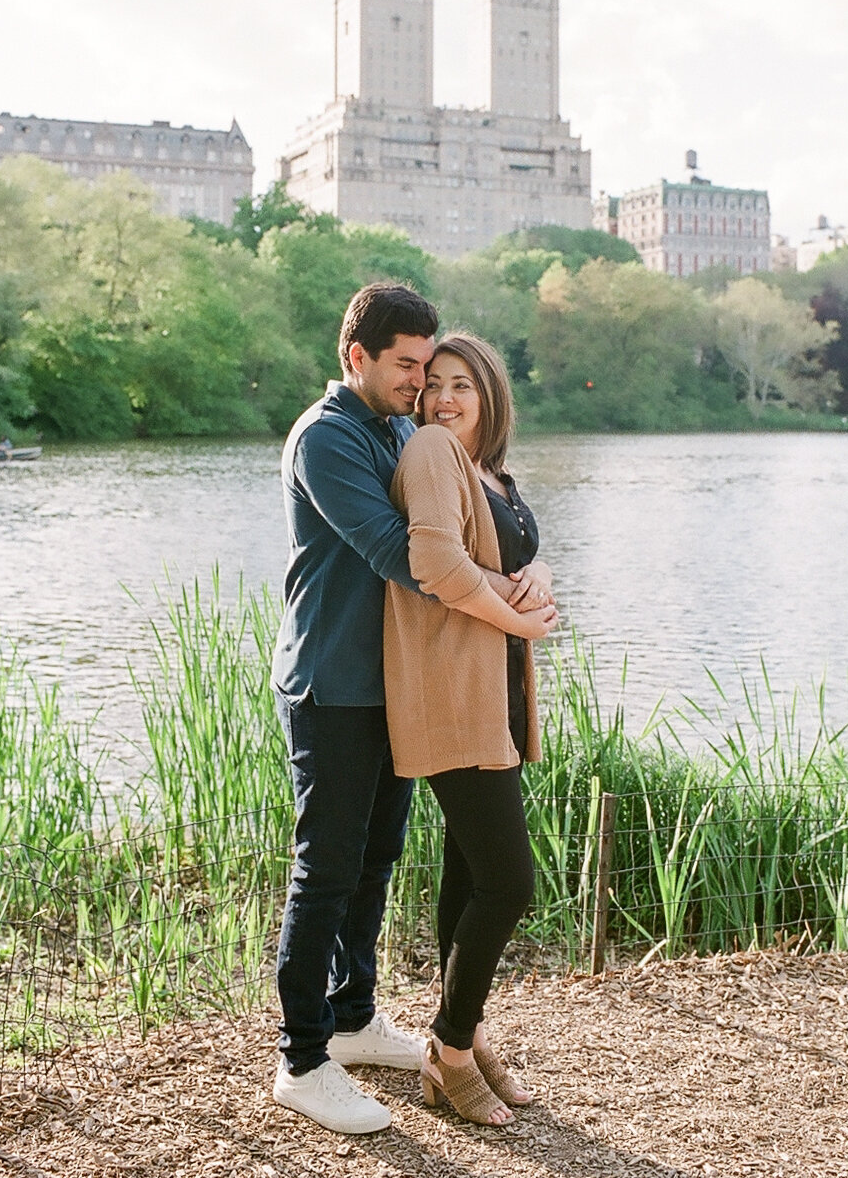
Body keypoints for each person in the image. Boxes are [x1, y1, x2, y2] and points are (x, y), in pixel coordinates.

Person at [269, 287, 541, 1135]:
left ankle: (352, 1018)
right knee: (327, 869)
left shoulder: (394, 426)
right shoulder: (326, 437)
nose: (421, 383)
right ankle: (302, 1058)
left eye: (429, 367)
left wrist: (527, 574)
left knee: (378, 856)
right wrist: (514, 600)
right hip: (332, 681)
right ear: (358, 356)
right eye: (407, 366)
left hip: (392, 683)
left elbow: (469, 523)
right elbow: (407, 554)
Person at [384, 333, 558, 1127]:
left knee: (467, 873)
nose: (444, 397)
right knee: (508, 882)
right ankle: (449, 1050)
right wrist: (520, 621)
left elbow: (520, 560)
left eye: (462, 385)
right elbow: (438, 567)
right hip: (454, 695)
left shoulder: (491, 471)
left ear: (490, 396)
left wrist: (539, 583)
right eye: (434, 383)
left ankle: (469, 1032)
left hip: (498, 700)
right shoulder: (428, 450)